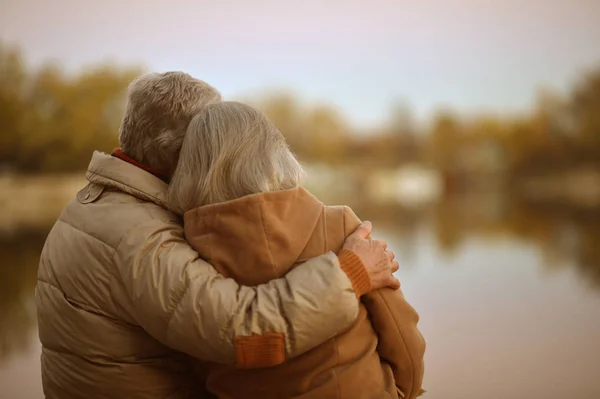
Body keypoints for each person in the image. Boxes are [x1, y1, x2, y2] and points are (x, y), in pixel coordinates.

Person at [35, 72, 400, 399]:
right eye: (210, 133)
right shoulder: (138, 237)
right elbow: (244, 333)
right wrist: (351, 273)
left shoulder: (97, 205)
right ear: (186, 149)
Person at [167, 101, 426, 399]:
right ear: (272, 153)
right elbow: (402, 336)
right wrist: (401, 390)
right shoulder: (339, 226)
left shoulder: (185, 251)